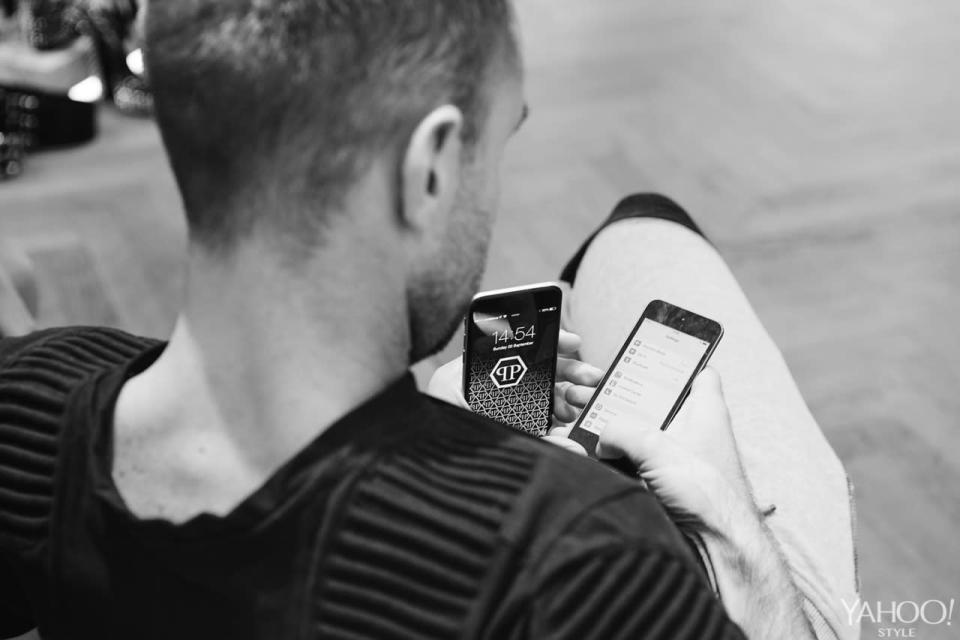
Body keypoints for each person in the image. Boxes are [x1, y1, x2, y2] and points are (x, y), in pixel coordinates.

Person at [0, 2, 856, 639]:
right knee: (643, 228)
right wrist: (727, 521)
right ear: (432, 170)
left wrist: (437, 419)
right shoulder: (578, 562)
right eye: (499, 143)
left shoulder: (32, 403)